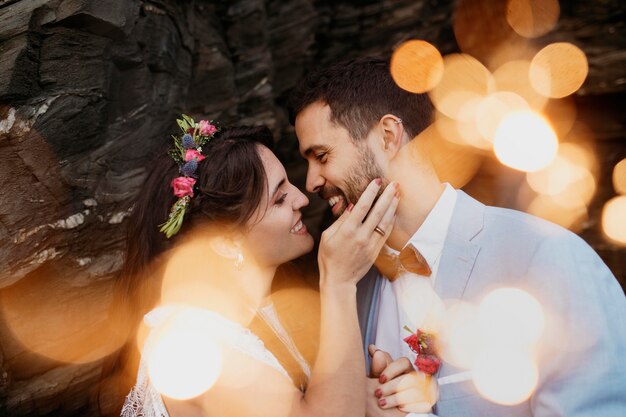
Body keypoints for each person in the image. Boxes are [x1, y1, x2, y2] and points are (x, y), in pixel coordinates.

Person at [288, 56, 626, 417]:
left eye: (322, 156)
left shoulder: (545, 257)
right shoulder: (352, 288)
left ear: (388, 136)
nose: (311, 183)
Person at [115, 118, 402, 417]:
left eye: (289, 183)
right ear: (226, 242)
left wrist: (368, 393)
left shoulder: (263, 310)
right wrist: (339, 283)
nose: (302, 199)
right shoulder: (193, 346)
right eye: (279, 199)